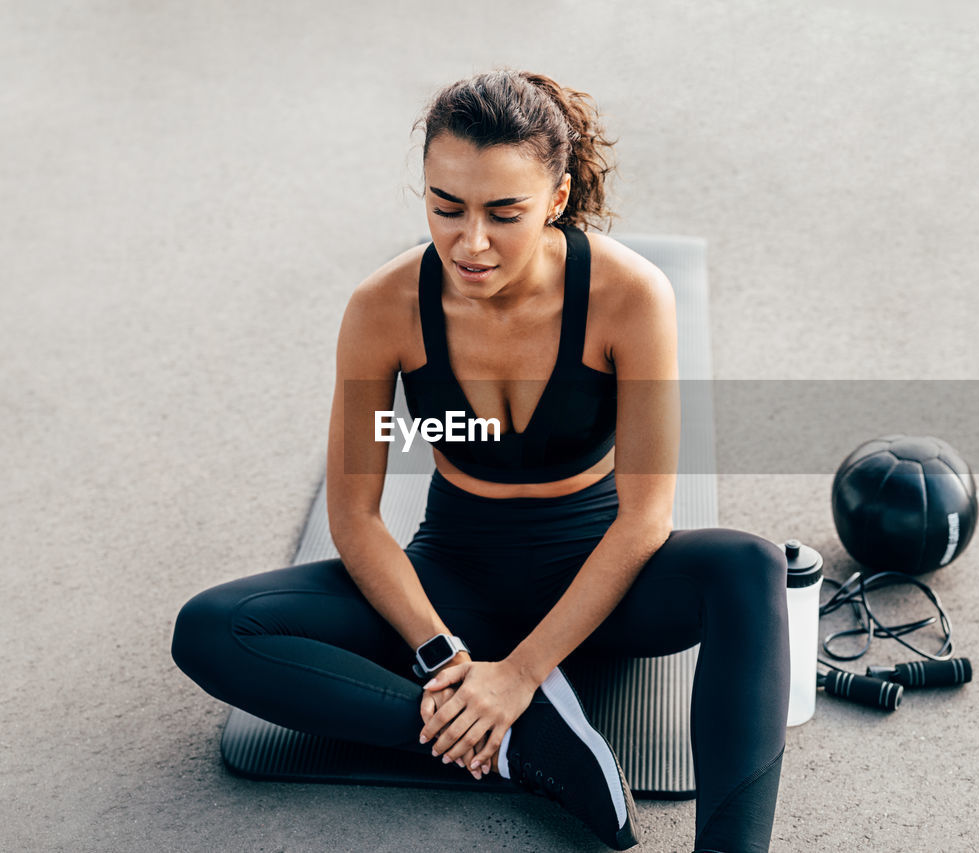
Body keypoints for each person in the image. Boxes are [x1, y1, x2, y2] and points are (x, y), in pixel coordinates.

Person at [170, 68, 790, 853]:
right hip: (455, 579)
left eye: (505, 213)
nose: (471, 242)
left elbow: (644, 520)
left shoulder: (630, 296)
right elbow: (355, 518)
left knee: (749, 568)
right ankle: (520, 745)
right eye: (446, 207)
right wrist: (447, 658)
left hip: (603, 579)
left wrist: (521, 670)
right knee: (214, 628)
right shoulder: (381, 308)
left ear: (557, 200)